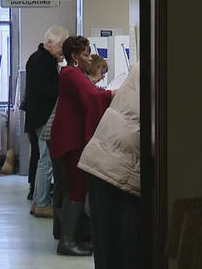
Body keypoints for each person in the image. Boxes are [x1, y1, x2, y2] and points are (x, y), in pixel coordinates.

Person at [50, 35, 115, 256]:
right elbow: (92, 97)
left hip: (70, 137)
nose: (90, 59)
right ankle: (67, 242)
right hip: (71, 139)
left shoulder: (73, 74)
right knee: (78, 188)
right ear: (75, 57)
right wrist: (115, 94)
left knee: (74, 188)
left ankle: (71, 237)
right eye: (86, 55)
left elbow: (93, 95)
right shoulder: (71, 73)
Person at [78, 63, 141, 269]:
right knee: (124, 254)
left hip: (105, 159)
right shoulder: (167, 63)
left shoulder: (149, 62)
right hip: (120, 168)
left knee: (108, 252)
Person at [23, 25, 69, 217]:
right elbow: (45, 91)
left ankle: (37, 201)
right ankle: (42, 203)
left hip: (37, 116)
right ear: (50, 43)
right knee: (45, 161)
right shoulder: (41, 61)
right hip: (42, 117)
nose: (63, 52)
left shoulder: (41, 59)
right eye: (61, 47)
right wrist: (63, 86)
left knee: (43, 159)